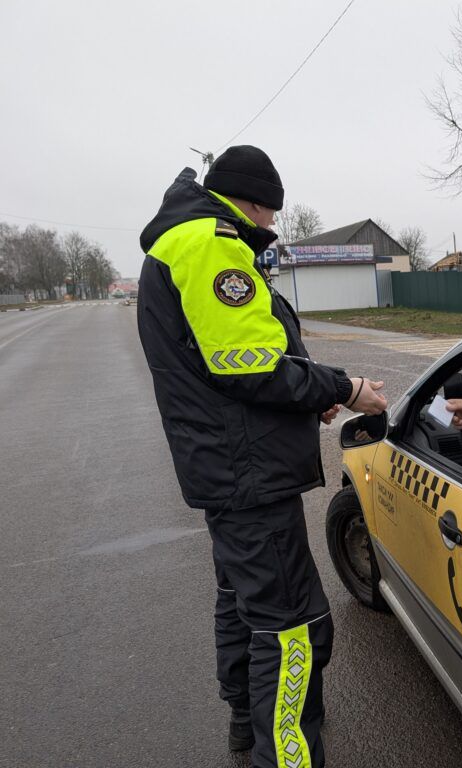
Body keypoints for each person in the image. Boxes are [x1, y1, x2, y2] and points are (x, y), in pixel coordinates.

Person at [136, 145, 387, 768]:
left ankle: (247, 727)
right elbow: (252, 368)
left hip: (229, 468)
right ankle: (290, 754)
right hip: (247, 474)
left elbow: (239, 360)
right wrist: (343, 388)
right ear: (252, 202)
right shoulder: (211, 242)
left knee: (243, 603)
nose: (270, 231)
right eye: (270, 218)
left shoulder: (186, 237)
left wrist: (307, 399)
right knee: (292, 625)